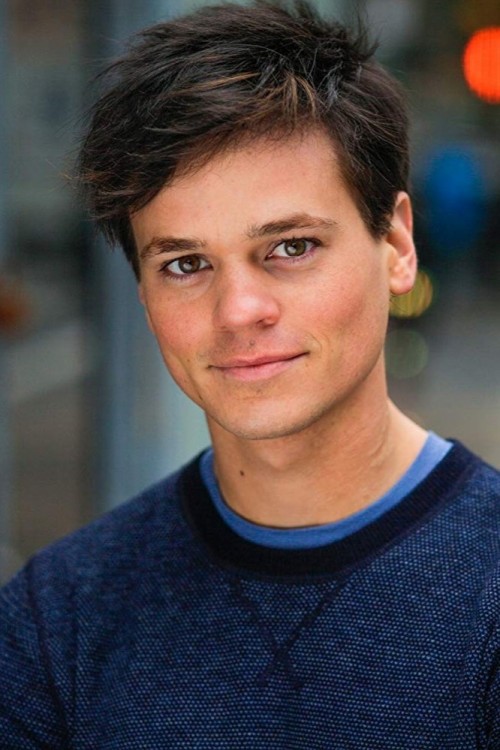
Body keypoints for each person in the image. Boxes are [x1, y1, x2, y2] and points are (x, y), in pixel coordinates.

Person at [1, 2, 500, 747]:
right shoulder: (58, 617)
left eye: (291, 247)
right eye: (186, 264)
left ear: (397, 246)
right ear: (143, 295)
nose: (238, 310)